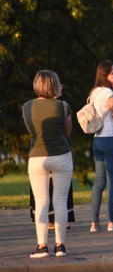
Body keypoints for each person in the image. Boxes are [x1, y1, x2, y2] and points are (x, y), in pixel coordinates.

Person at [22, 70, 73, 258]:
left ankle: (41, 246)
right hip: (61, 155)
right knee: (60, 201)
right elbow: (67, 132)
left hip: (37, 157)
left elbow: (31, 131)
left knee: (41, 202)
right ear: (54, 84)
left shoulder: (27, 107)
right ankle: (60, 246)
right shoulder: (63, 106)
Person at [87, 61, 113, 232]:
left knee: (99, 182)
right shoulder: (108, 92)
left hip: (97, 140)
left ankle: (94, 223)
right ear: (104, 75)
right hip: (110, 140)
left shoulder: (94, 92)